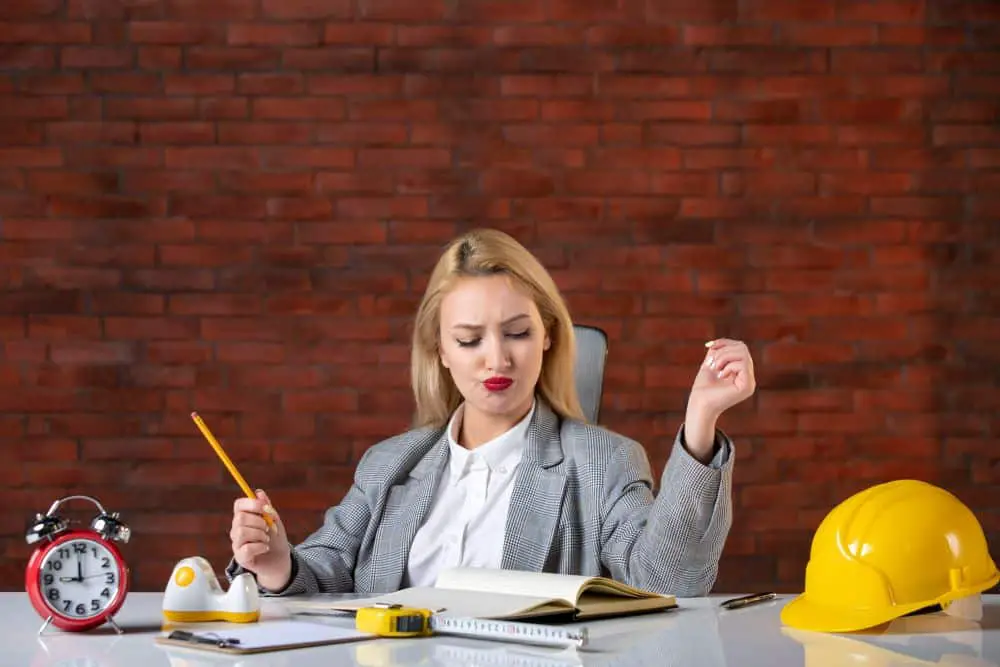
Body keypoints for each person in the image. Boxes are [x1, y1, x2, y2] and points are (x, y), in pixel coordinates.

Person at [227, 228, 756, 597]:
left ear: (548, 336)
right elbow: (326, 571)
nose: (497, 359)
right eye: (469, 338)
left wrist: (700, 425)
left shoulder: (602, 462)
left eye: (519, 333)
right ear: (440, 349)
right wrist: (277, 562)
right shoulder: (390, 465)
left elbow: (669, 580)